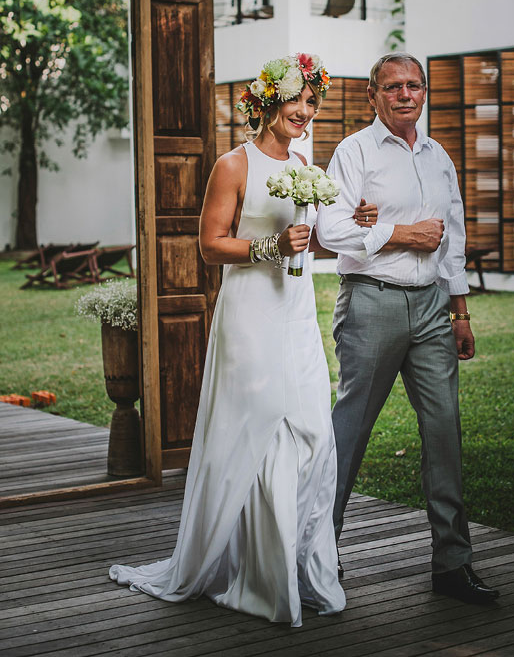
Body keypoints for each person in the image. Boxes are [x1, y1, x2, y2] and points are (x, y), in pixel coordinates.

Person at [109, 54, 375, 627]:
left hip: (295, 310)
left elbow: (311, 240)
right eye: (295, 99)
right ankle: (253, 572)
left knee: (311, 428)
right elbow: (210, 245)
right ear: (267, 101)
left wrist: (353, 222)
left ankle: (293, 565)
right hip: (250, 313)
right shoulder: (233, 165)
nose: (305, 111)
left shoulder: (304, 165)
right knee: (257, 426)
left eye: (312, 102)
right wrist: (270, 247)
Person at [316, 52, 499, 605]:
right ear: (372, 94)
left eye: (413, 86)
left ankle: (453, 564)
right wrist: (401, 234)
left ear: (424, 92)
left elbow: (453, 236)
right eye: (392, 86)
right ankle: (317, 556)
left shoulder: (439, 156)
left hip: (433, 309)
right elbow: (330, 228)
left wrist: (460, 311)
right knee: (349, 431)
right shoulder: (354, 152)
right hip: (372, 303)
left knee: (444, 432)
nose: (404, 95)